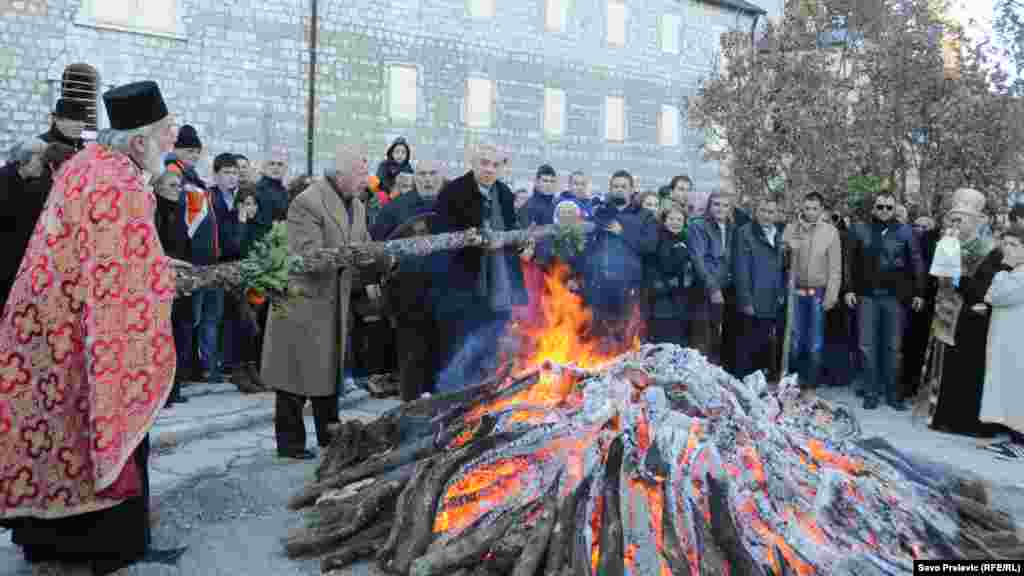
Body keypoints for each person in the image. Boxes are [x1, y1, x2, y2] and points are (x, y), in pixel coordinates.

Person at [0, 80, 186, 574]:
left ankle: (49, 546)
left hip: (47, 325)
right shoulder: (119, 181)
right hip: (81, 332)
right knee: (99, 426)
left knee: (56, 435)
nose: (172, 142)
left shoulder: (88, 166)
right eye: (166, 133)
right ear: (139, 141)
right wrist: (161, 280)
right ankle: (108, 549)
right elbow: (117, 275)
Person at [261, 143, 378, 459]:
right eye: (360, 172)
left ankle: (331, 438)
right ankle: (290, 445)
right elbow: (307, 255)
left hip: (333, 302)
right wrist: (353, 258)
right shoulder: (307, 202)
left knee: (328, 373)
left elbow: (364, 246)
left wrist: (381, 261)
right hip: (303, 303)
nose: (365, 178)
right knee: (294, 378)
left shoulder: (358, 205)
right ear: (340, 174)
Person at [430, 143, 529, 391]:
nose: (489, 169)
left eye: (495, 165)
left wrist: (519, 243)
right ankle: (450, 403)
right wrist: (466, 239)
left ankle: (483, 400)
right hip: (463, 287)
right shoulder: (453, 192)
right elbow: (438, 234)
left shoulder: (504, 193)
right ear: (473, 163)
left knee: (489, 349)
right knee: (460, 353)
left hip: (498, 287)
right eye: (484, 163)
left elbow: (510, 233)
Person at [923, 189, 1002, 436]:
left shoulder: (990, 249)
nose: (956, 223)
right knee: (947, 366)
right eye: (953, 218)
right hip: (946, 312)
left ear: (976, 221)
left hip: (971, 317)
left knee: (968, 369)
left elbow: (983, 288)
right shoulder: (948, 243)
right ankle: (943, 417)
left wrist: (958, 278)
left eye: (962, 219)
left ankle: (965, 420)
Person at [845, 191, 925, 410]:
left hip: (895, 298)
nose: (884, 211)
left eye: (889, 207)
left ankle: (892, 394)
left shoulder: (906, 231)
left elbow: (916, 262)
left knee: (893, 348)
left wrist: (919, 292)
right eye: (880, 206)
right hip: (867, 296)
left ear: (895, 208)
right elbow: (849, 261)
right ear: (873, 208)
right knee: (866, 346)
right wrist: (849, 289)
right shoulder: (859, 229)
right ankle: (871, 392)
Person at [782, 192, 842, 389]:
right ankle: (793, 382)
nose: (810, 212)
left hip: (818, 292)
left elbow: (835, 267)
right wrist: (788, 247)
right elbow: (780, 258)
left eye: (815, 208)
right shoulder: (791, 229)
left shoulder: (830, 232)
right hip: (795, 291)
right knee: (796, 338)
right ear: (802, 207)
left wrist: (831, 295)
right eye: (807, 208)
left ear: (821, 210)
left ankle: (811, 384)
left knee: (815, 340)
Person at [979, 223, 1024, 458]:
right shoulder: (1013, 273)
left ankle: (1019, 443)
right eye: (1005, 244)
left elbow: (996, 295)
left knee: (1017, 390)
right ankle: (1012, 438)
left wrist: (1004, 269)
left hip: (1017, 344)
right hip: (1007, 340)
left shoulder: (1018, 273)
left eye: (1014, 245)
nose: (1007, 249)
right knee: (1008, 388)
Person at [734, 194, 786, 378]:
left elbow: (782, 267)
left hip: (772, 299)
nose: (767, 215)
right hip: (752, 298)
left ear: (777, 213)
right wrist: (745, 300)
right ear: (756, 211)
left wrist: (781, 293)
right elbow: (741, 269)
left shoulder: (780, 234)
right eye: (763, 211)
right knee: (747, 345)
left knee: (765, 343)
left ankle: (760, 382)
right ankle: (745, 384)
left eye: (771, 212)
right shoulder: (744, 232)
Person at [0, 140, 48, 312]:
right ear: (24, 159)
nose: (44, 164)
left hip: (24, 258)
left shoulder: (37, 181)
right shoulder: (4, 180)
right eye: (40, 159)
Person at [688, 192, 734, 365]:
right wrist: (713, 288)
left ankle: (714, 376)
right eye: (716, 204)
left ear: (730, 208)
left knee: (718, 334)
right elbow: (697, 259)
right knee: (702, 336)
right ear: (709, 206)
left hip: (726, 287)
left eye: (725, 205)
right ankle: (699, 375)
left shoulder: (732, 228)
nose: (720, 208)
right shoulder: (698, 225)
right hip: (704, 287)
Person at [646, 200, 691, 347]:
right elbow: (656, 267)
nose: (675, 223)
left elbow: (689, 269)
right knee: (663, 340)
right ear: (664, 221)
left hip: (682, 299)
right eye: (671, 219)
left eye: (679, 220)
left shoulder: (686, 239)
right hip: (662, 300)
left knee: (679, 339)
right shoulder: (657, 239)